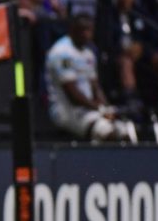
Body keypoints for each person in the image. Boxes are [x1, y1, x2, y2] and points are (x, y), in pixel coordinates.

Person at [46, 14, 132, 142]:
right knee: (107, 133)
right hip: (65, 109)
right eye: (82, 30)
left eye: (89, 30)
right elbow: (73, 95)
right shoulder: (61, 52)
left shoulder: (88, 54)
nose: (86, 35)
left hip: (88, 108)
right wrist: (99, 109)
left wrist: (106, 107)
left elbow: (95, 86)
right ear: (72, 30)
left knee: (125, 131)